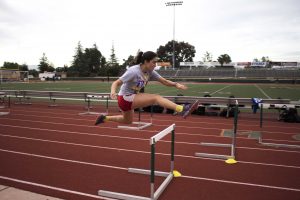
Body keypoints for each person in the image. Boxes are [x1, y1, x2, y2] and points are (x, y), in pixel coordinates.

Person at [95, 51, 199, 125]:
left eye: (156, 62)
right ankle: (181, 109)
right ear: (146, 61)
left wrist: (176, 84)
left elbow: (164, 81)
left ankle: (105, 118)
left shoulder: (150, 72)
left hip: (131, 98)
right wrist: (113, 92)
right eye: (153, 62)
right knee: (156, 98)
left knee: (127, 121)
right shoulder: (133, 71)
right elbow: (116, 82)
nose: (155, 64)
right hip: (125, 98)